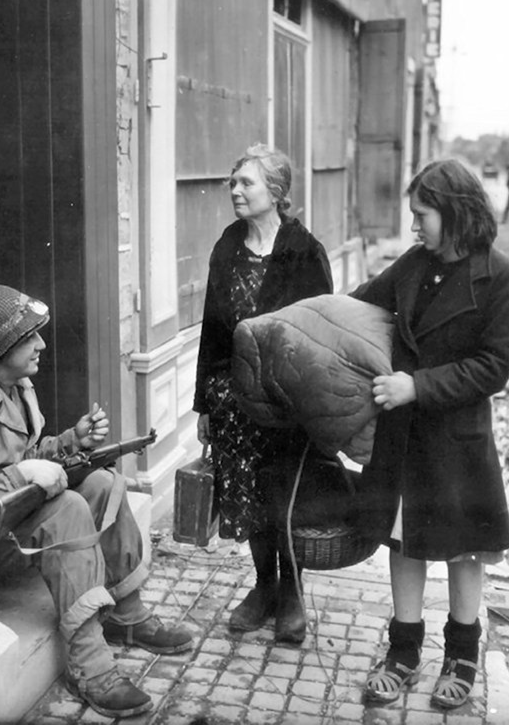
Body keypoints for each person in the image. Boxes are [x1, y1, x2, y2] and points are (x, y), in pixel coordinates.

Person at [350, 159, 509, 708]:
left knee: (462, 551)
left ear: (454, 213)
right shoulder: (413, 264)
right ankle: (403, 652)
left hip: (456, 441)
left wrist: (417, 386)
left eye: (422, 215)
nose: (415, 226)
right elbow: (362, 303)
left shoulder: (502, 278)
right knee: (404, 545)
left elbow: (492, 368)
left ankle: (462, 655)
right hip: (404, 438)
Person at [0, 285, 192, 719]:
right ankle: (91, 667)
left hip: (22, 516)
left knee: (102, 484)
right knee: (71, 509)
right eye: (28, 338)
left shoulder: (20, 387)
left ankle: (127, 616)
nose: (41, 344)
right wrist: (22, 474)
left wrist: (72, 440)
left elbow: (31, 455)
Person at [193, 144, 333, 644]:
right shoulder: (227, 246)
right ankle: (264, 587)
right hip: (232, 401)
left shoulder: (304, 249)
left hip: (286, 401)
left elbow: (321, 332)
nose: (234, 190)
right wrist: (204, 405)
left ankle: (292, 591)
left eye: (245, 183)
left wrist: (316, 404)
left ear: (275, 192)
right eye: (233, 182)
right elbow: (211, 329)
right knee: (247, 493)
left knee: (285, 494)